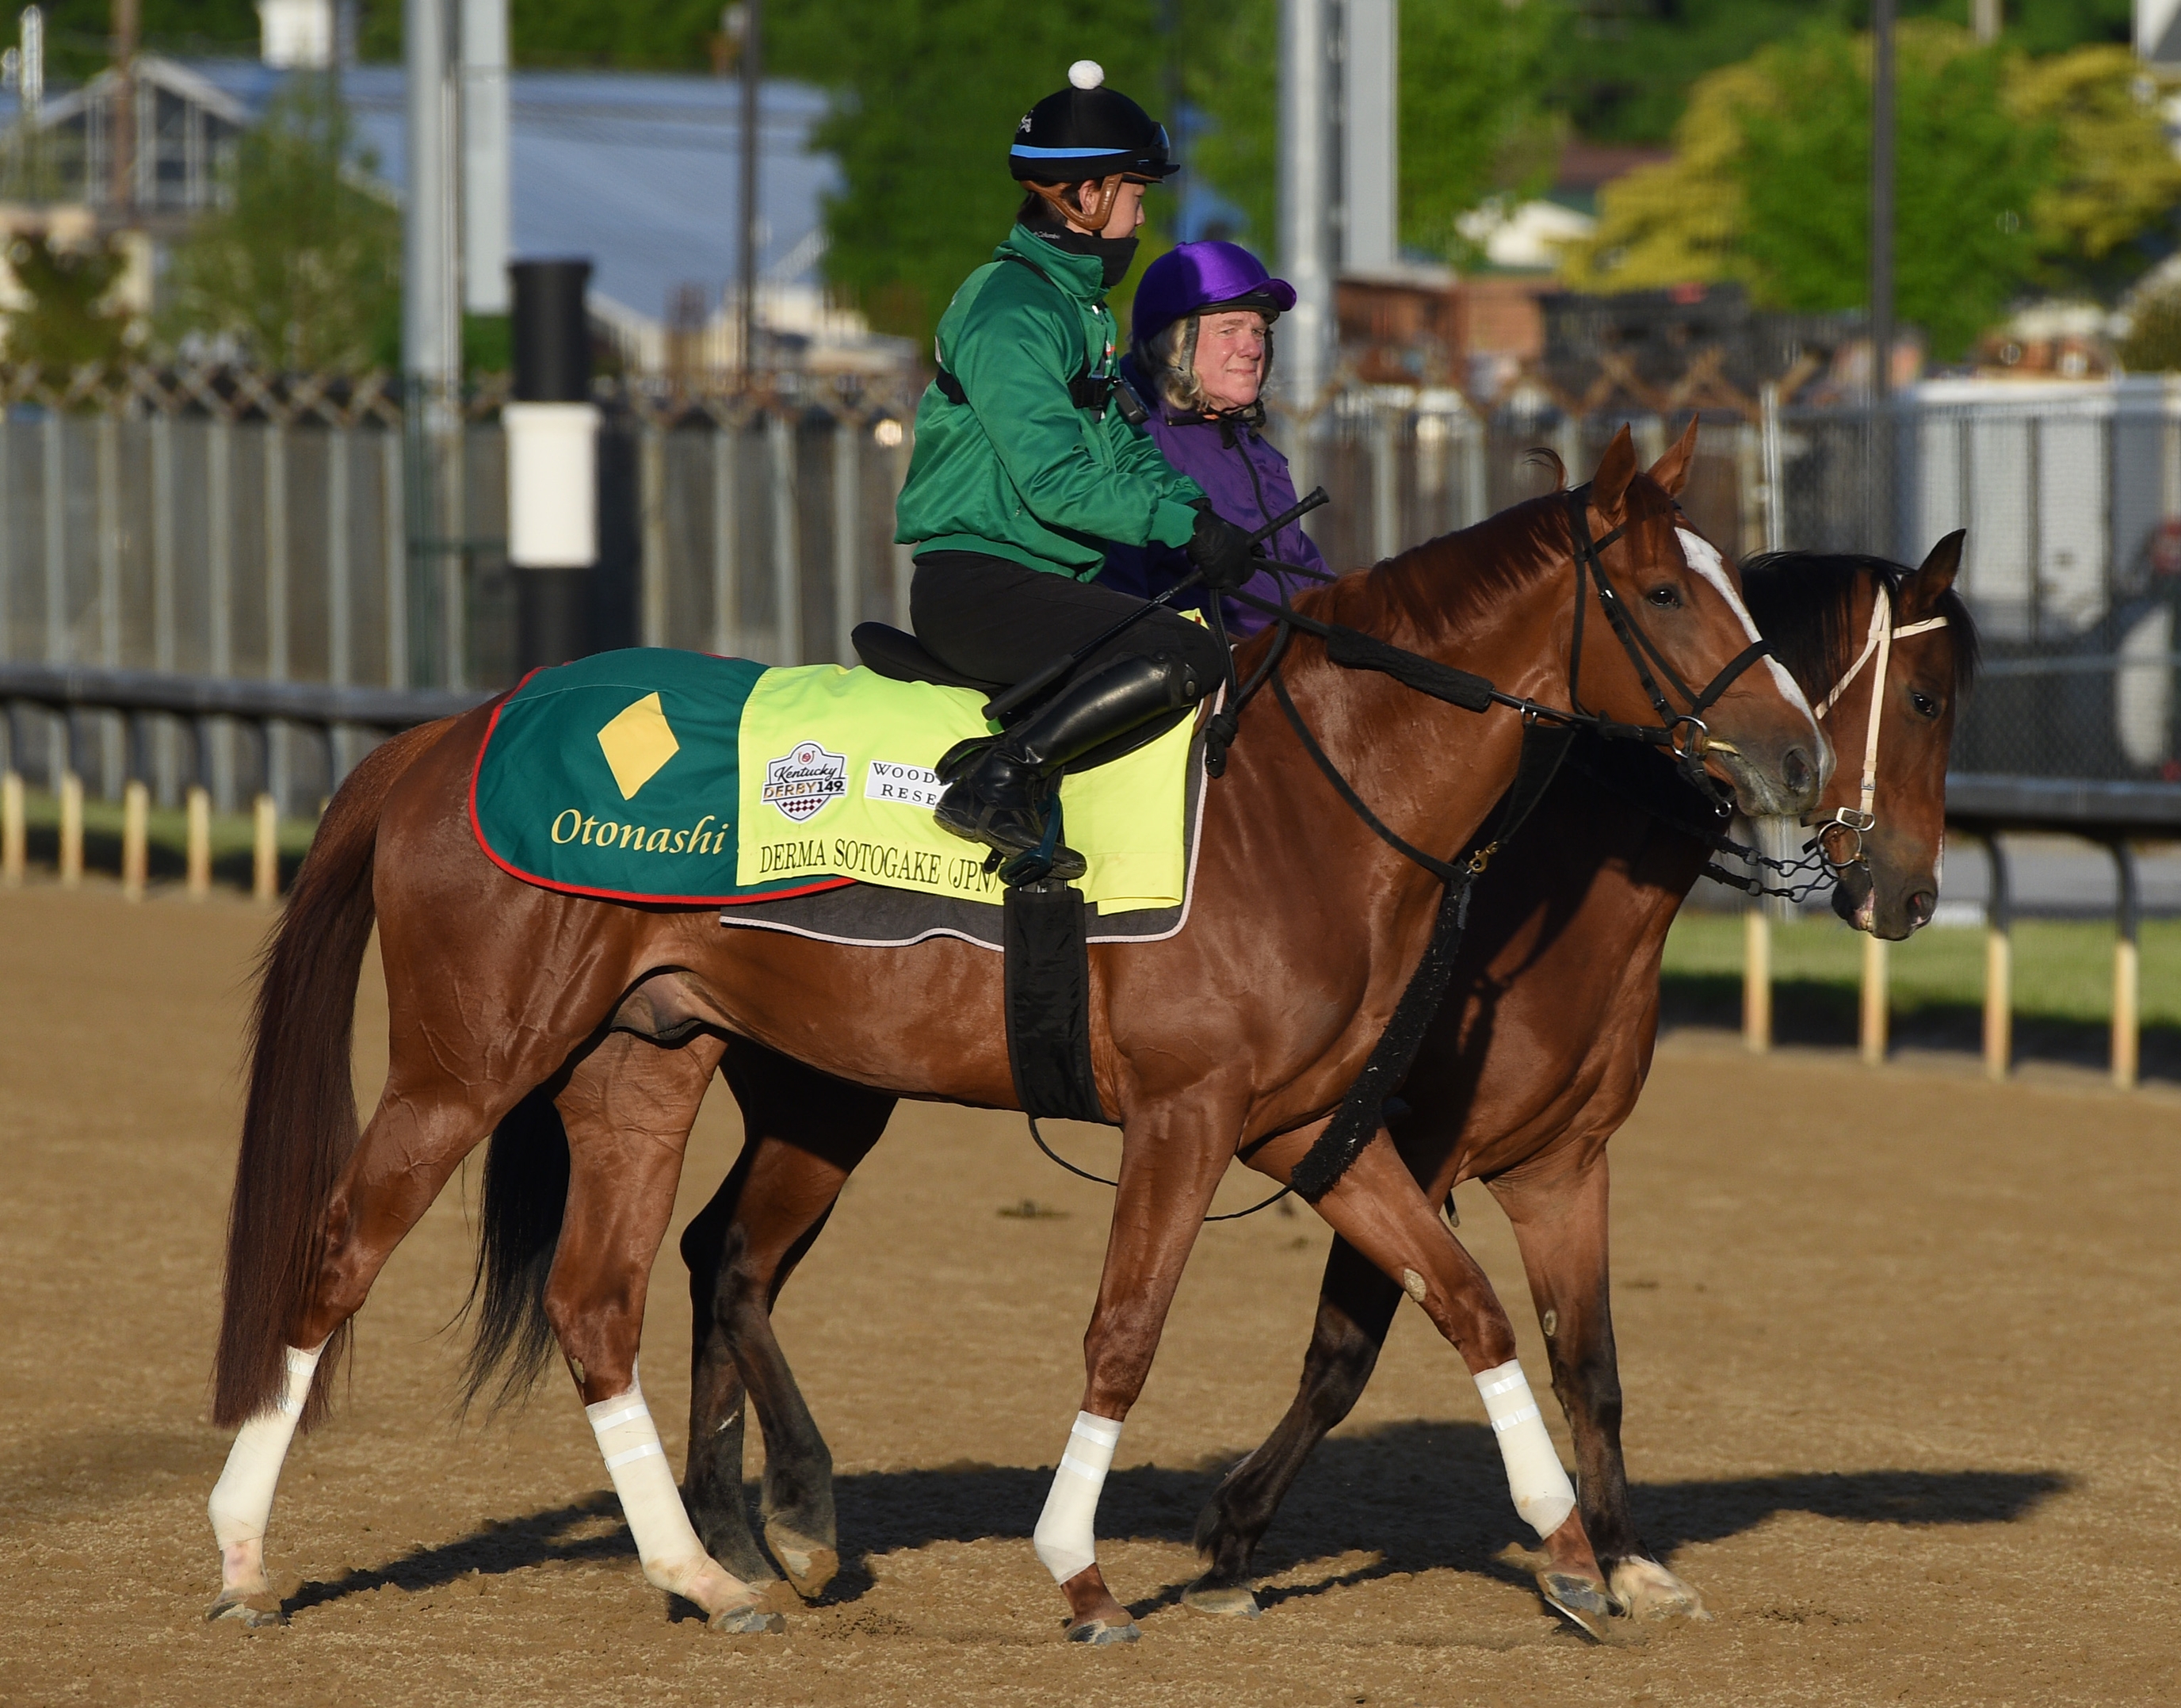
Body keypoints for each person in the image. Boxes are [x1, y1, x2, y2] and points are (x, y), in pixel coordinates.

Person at [896, 62, 1258, 879]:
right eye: (1135, 196)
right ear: (1083, 197)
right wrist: (1181, 528)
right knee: (1189, 656)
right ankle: (996, 779)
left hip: (1035, 580)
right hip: (980, 586)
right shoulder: (1010, 310)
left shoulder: (1074, 310)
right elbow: (1053, 479)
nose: (1140, 217)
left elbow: (1123, 447)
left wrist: (1199, 516)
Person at [1099, 242, 1329, 636]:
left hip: (1290, 667)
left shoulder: (1250, 447)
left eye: (1260, 330)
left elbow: (1310, 581)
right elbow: (1120, 606)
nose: (1252, 347)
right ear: (1172, 342)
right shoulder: (1130, 442)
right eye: (1229, 330)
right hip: (1209, 675)